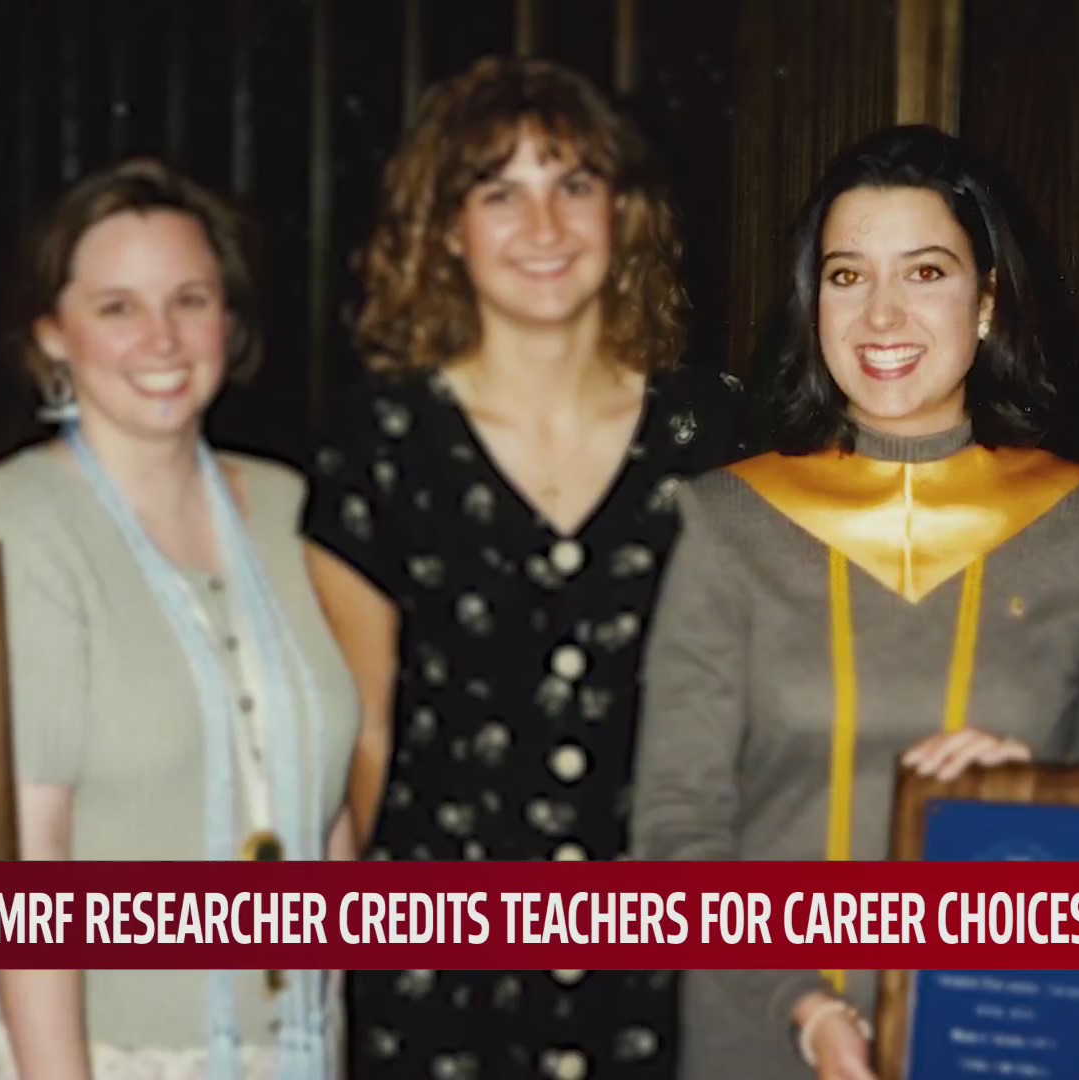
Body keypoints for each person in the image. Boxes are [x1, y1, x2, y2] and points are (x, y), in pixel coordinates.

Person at [631, 125, 1079, 1080]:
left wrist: (1047, 800)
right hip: (765, 1040)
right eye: (847, 277)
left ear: (986, 301)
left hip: (1005, 1037)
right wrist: (803, 1006)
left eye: (926, 272)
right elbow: (673, 835)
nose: (881, 315)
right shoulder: (720, 523)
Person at [301, 55, 746, 1080]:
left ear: (624, 214)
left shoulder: (712, 431)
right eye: (500, 193)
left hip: (658, 958)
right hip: (439, 963)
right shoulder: (383, 440)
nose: (543, 228)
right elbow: (362, 730)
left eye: (574, 186)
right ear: (445, 230)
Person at [0, 159, 358, 1079]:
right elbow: (22, 863)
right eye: (117, 307)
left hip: (282, 1045)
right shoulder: (12, 524)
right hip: (88, 1049)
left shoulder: (295, 508)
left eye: (190, 299)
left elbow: (326, 811)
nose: (161, 337)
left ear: (229, 321)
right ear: (52, 335)